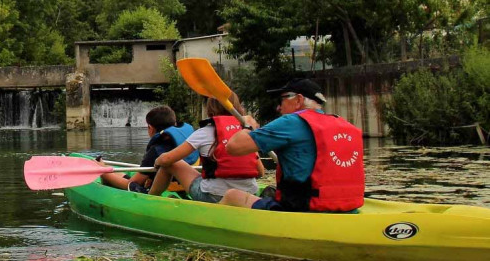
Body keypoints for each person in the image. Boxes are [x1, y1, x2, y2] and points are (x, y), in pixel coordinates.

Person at [219, 79, 365, 212]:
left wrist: (247, 126)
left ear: (298, 100)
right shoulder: (343, 124)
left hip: (303, 210)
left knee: (232, 195)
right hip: (349, 208)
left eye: (281, 100)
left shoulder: (290, 122)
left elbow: (233, 147)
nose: (278, 107)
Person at [146, 94, 265, 203]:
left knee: (170, 163)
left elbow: (167, 159)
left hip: (214, 196)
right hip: (250, 195)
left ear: (210, 110)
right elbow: (260, 172)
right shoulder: (247, 132)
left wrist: (157, 162)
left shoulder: (205, 132)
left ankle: (149, 200)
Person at [101, 106, 196, 193]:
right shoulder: (189, 143)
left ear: (150, 128)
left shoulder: (156, 150)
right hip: (186, 184)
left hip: (165, 188)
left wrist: (102, 171)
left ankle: (101, 168)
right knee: (119, 173)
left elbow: (131, 184)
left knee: (125, 181)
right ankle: (105, 167)